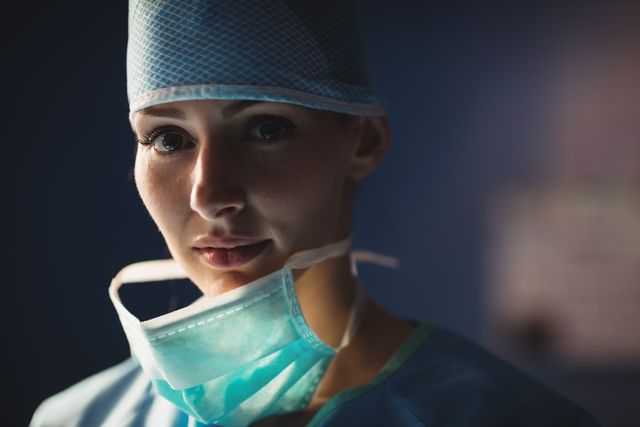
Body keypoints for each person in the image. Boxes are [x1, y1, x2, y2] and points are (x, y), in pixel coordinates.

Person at [30, 1, 601, 426]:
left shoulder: (507, 416)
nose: (208, 194)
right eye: (167, 138)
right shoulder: (76, 418)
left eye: (265, 128)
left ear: (364, 143)